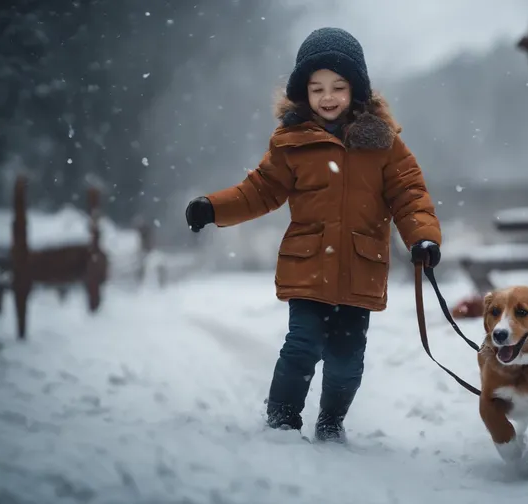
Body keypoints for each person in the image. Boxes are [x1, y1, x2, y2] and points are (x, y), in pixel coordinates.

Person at [185, 27, 442, 443]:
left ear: (355, 89)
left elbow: (410, 195)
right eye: (317, 87)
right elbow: (260, 191)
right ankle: (282, 420)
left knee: (346, 362)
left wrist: (422, 238)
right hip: (308, 267)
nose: (328, 97)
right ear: (303, 91)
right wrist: (214, 208)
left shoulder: (383, 143)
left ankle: (331, 421)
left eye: (338, 87)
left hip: (360, 270)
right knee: (301, 347)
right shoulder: (292, 143)